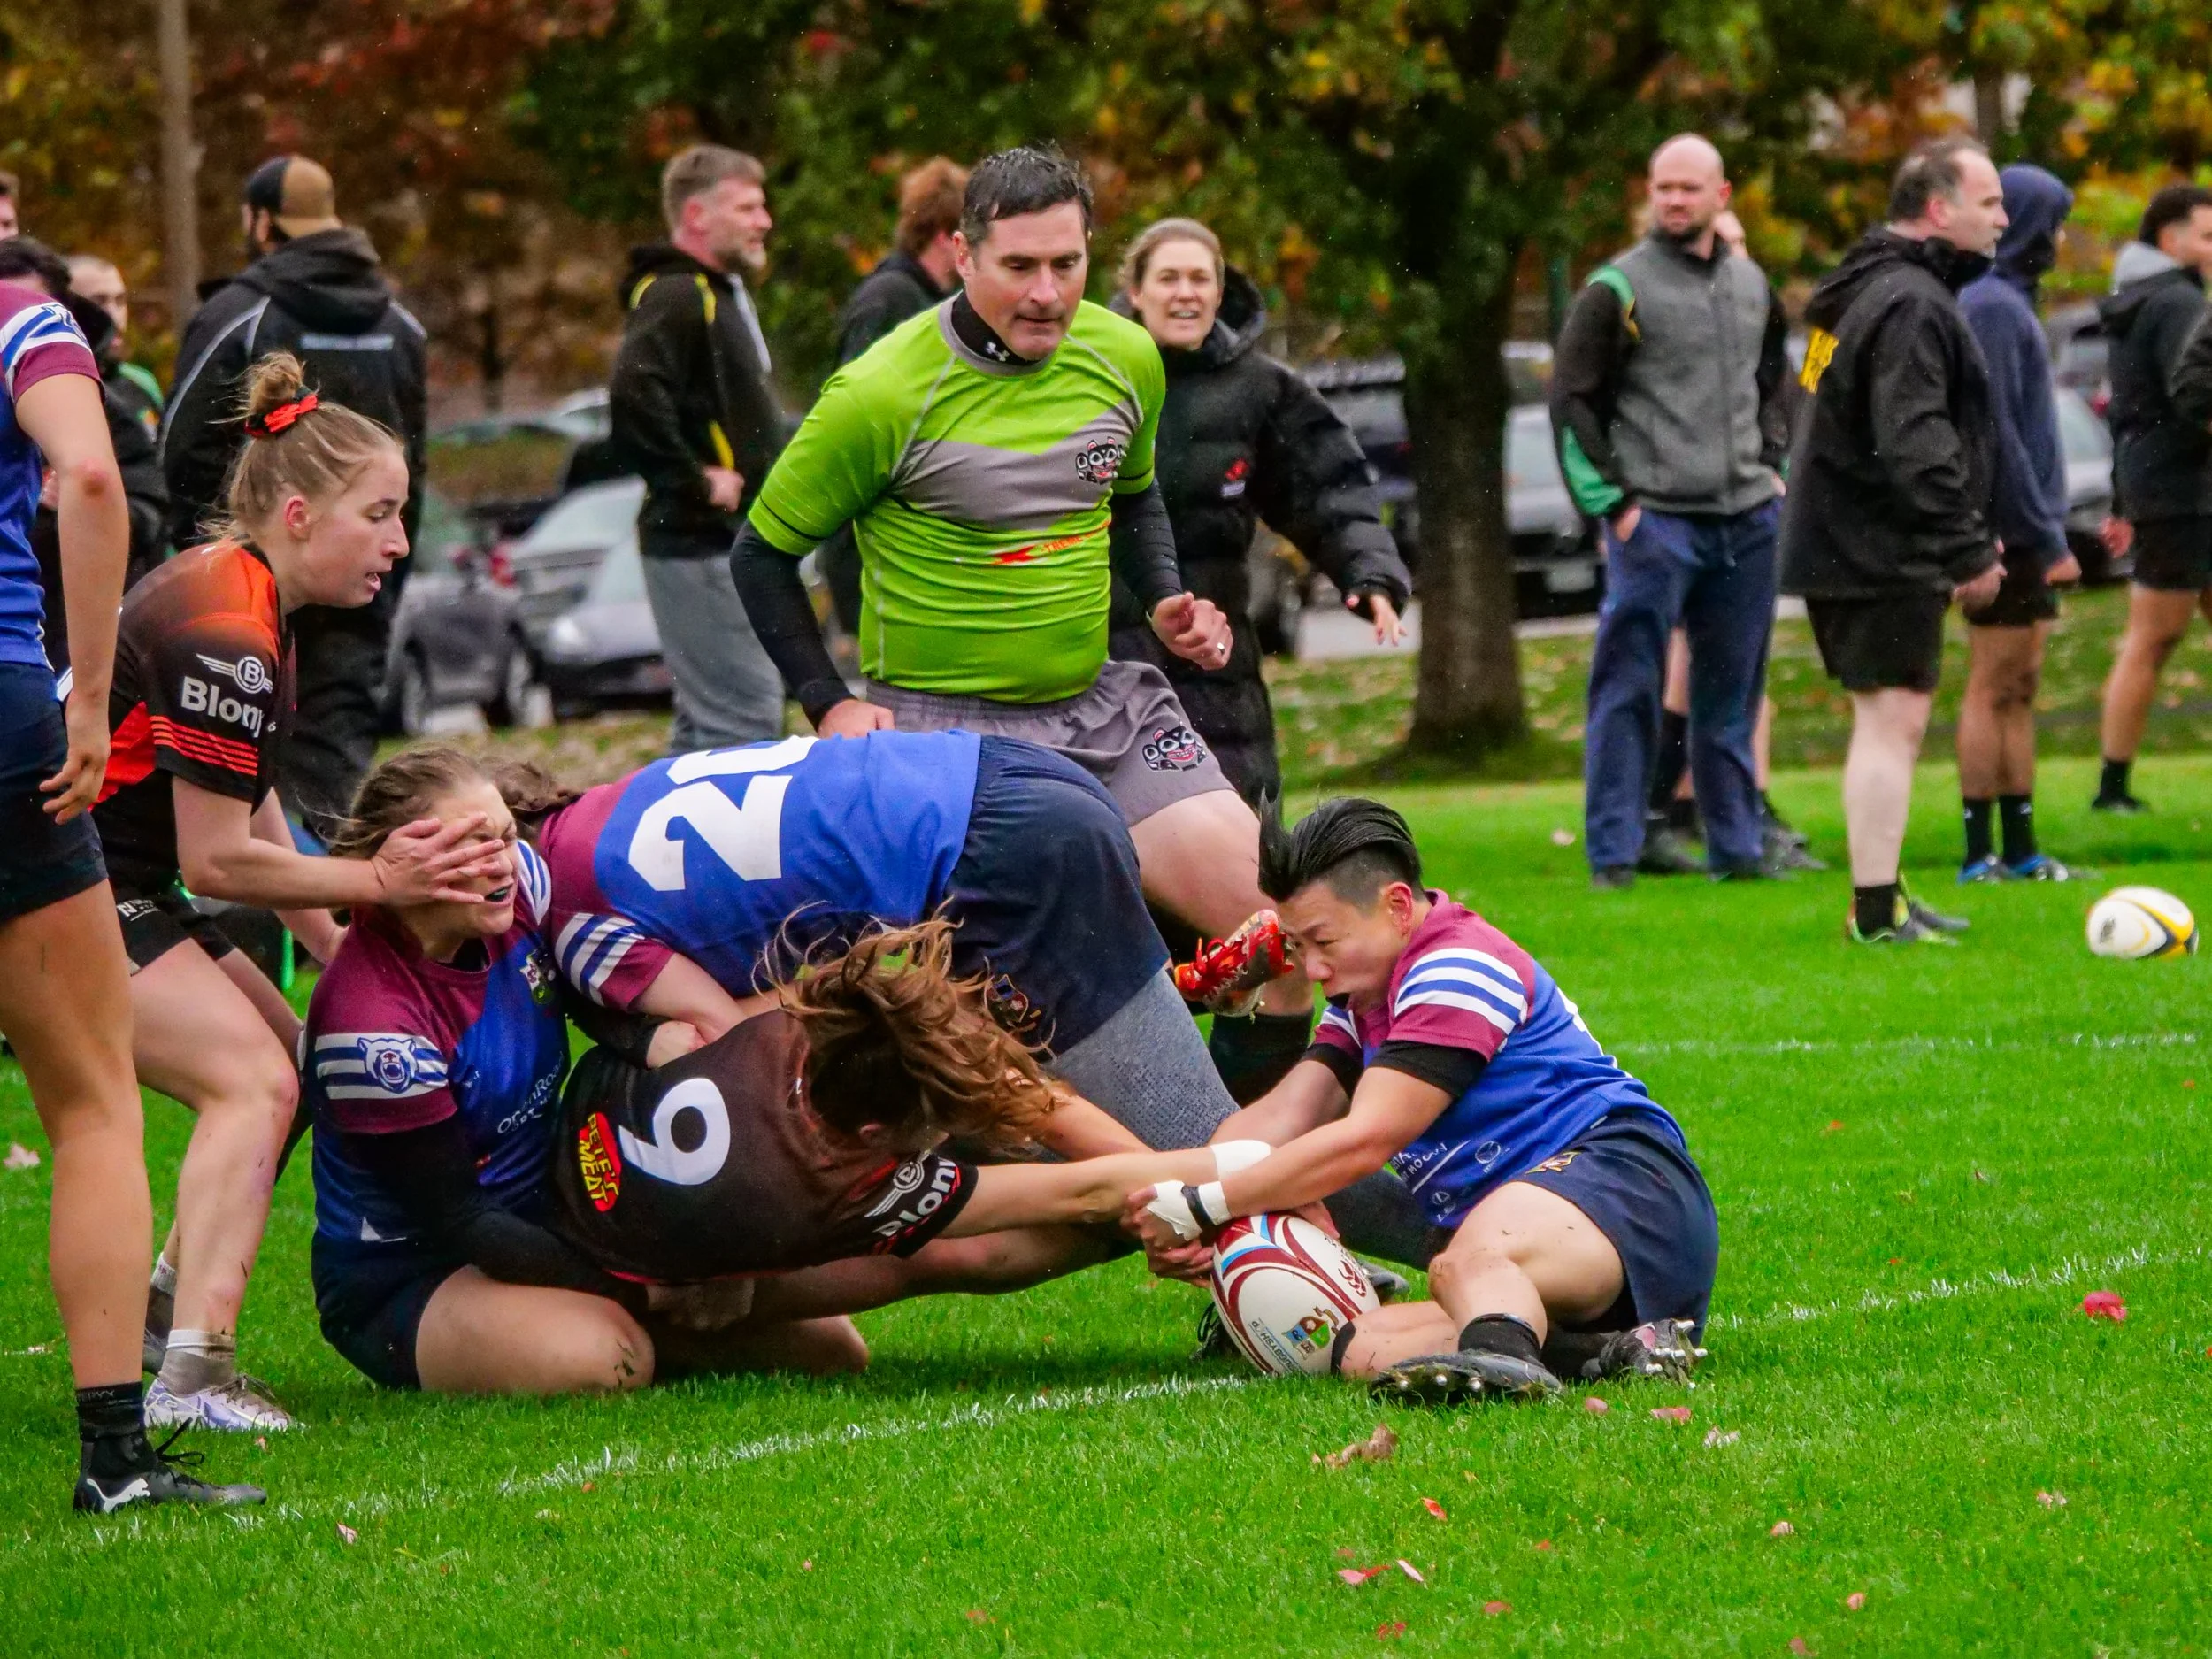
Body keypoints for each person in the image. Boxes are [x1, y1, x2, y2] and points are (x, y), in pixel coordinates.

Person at [307, 745, 1265, 1392]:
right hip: (425, 1272)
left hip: (602, 1190)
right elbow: (460, 1220)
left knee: (841, 1349)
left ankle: (1186, 1208)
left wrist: (704, 1227)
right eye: (468, 848)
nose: (496, 865)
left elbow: (696, 1031)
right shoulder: (375, 1029)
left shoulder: (532, 909)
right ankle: (1232, 1205)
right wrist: (654, 1271)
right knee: (609, 1358)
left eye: (499, 838)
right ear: (389, 865)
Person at [730, 145, 1318, 1102]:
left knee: (1282, 944)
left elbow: (1130, 498)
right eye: (1019, 267)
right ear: (961, 255)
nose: (1047, 293)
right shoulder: (880, 394)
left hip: (1104, 711)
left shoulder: (1124, 358)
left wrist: (1164, 596)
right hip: (952, 745)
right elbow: (759, 556)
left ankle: (1235, 1181)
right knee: (1000, 1042)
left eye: (1067, 264)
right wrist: (829, 703)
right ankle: (1194, 1184)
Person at [107, 353, 500, 1432]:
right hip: (59, 892)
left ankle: (159, 1320)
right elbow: (216, 862)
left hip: (110, 879)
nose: (399, 543)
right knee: (254, 1085)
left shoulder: (241, 590)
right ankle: (192, 1377)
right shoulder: (227, 632)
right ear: (295, 511)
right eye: (379, 515)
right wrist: (379, 878)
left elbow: (247, 785)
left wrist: (327, 932)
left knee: (289, 1060)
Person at [1125, 798, 1717, 1402]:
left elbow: (1366, 1138)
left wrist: (1204, 1204)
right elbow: (1273, 1125)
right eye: (1300, 947)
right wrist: (1205, 1213)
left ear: (1398, 906)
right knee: (1357, 1346)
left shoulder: (1455, 966)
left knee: (1461, 1263)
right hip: (1527, 1252)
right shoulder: (1364, 996)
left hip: (1625, 1184)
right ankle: (1621, 1349)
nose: (1317, 967)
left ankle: (1505, 1369)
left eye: (1324, 939)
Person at [0, 250, 260, 1510]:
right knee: (93, 1103)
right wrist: (91, 693)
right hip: (8, 728)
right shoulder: (21, 315)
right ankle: (115, 1457)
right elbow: (91, 473)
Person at [518, 730, 1242, 1157]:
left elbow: (727, 1040)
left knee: (1195, 1151)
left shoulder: (572, 915)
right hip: (1007, 774)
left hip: (989, 855)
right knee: (1106, 1127)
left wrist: (637, 1039)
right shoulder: (599, 807)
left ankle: (1310, 1250)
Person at [1778, 137, 2006, 945]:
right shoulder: (1910, 301)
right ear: (1939, 209)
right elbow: (1916, 440)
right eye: (1990, 204)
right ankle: (1877, 909)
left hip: (1842, 537)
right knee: (1892, 718)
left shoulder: (1859, 289)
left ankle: (1886, 892)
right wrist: (1967, 547)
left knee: (1888, 716)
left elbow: (1812, 398)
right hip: (1875, 543)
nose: (2003, 220)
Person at [159, 156, 428, 840]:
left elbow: (181, 451)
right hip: (362, 582)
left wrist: (209, 558)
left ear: (261, 221)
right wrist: (387, 561)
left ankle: (276, 915)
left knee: (239, 753)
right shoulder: (399, 323)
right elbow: (414, 466)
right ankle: (332, 914)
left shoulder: (239, 314)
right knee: (334, 759)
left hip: (252, 574)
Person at [1552, 135, 1792, 887]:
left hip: (1747, 517)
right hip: (1655, 522)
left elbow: (1776, 379)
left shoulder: (1754, 283)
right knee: (1627, 689)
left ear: (1723, 195)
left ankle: (1738, 851)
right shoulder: (1615, 287)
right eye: (1663, 187)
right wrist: (1617, 508)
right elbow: (1571, 403)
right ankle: (1614, 856)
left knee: (1733, 693)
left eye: (1690, 188)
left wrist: (1775, 465)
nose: (1675, 200)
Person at [1110, 216, 1409, 803]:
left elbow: (1327, 490)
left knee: (1241, 845)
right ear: (1136, 292)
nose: (1185, 293)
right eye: (1168, 278)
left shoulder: (1261, 389)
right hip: (1106, 659)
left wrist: (1367, 572)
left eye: (1200, 279)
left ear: (1220, 294)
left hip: (1215, 667)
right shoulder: (1089, 376)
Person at [610, 145, 788, 755]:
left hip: (722, 544)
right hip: (699, 539)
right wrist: (694, 481)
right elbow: (632, 395)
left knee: (709, 731)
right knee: (744, 721)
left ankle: (644, 847)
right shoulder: (680, 294)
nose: (764, 221)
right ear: (696, 214)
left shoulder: (718, 294)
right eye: (748, 207)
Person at [1955, 165, 2080, 881]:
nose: (2060, 238)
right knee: (1992, 682)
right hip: (2007, 530)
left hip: (2028, 526)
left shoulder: (2011, 303)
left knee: (2021, 683)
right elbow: (1996, 429)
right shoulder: (1994, 307)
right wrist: (2044, 534)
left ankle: (2023, 845)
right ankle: (1981, 851)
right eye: (2053, 221)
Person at [2090, 184, 2212, 814]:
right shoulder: (2177, 302)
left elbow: (2126, 413)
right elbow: (2192, 394)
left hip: (2163, 486)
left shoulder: (2138, 299)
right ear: (2171, 240)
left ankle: (2113, 784)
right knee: (2154, 635)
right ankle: (2112, 787)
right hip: (2183, 492)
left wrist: (2119, 495)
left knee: (2150, 636)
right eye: (2207, 236)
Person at [817, 157, 972, 635]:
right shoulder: (888, 301)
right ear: (946, 234)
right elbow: (852, 418)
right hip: (874, 547)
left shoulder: (935, 302)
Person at [0, 240, 167, 640]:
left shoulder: (108, 407)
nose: (17, 333)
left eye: (31, 313)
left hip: (68, 641)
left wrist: (88, 507)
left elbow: (151, 513)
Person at [65, 255, 165, 444]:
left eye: (120, 301)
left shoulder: (141, 382)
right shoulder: (50, 387)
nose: (114, 314)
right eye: (99, 301)